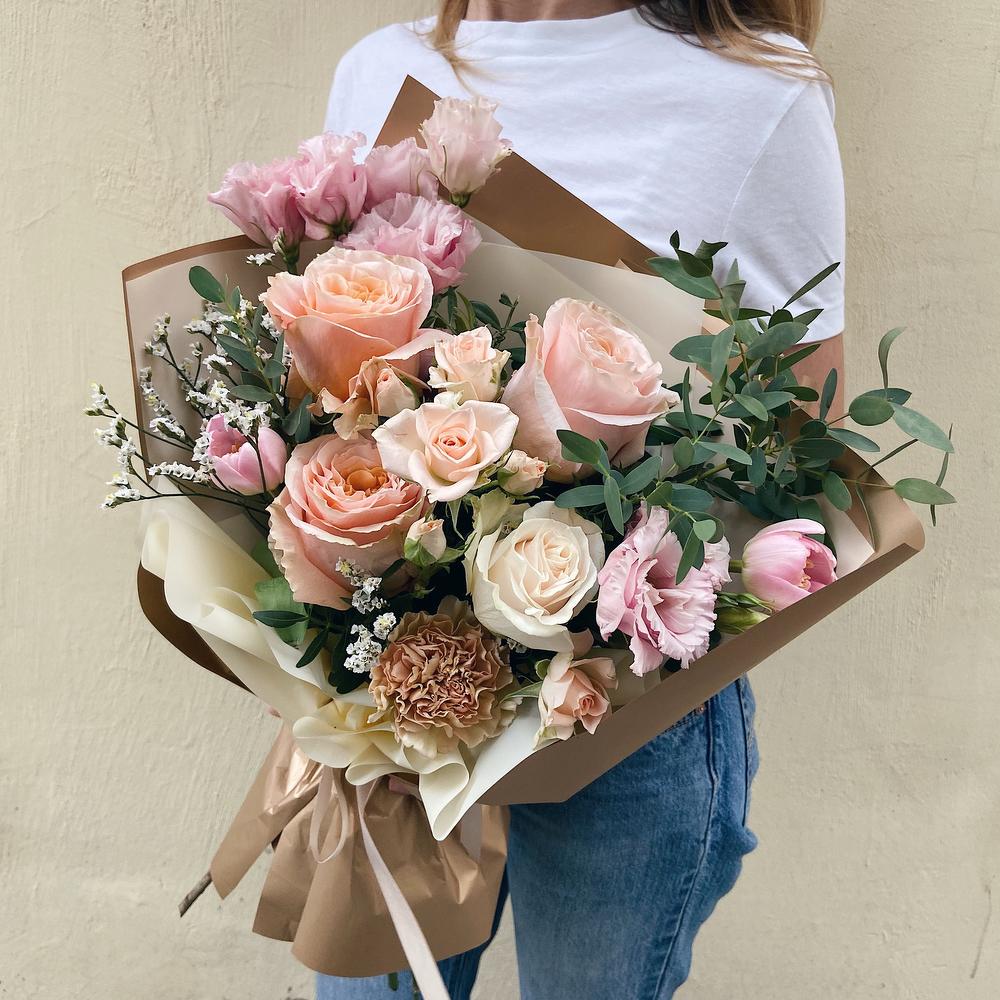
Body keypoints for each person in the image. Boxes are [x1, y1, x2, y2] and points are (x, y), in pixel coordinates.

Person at [317, 2, 845, 997]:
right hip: (399, 702)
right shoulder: (380, 70)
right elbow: (328, 385)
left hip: (628, 709)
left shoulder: (754, 92)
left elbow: (800, 442)